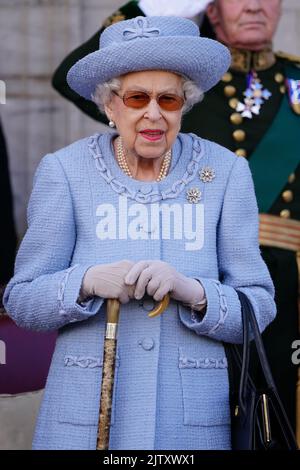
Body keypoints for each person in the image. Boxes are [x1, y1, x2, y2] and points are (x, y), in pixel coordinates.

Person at [4, 15, 276, 450]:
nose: (153, 113)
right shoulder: (66, 171)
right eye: (137, 97)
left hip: (189, 428)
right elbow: (21, 300)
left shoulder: (225, 173)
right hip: (86, 423)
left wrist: (194, 291)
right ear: (110, 105)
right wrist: (86, 281)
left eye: (168, 100)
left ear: (184, 105)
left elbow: (258, 305)